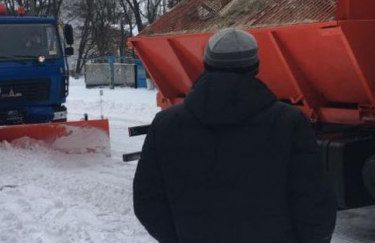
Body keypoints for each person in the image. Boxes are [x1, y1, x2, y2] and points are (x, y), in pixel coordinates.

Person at [133, 28, 337, 243]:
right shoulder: (289, 123)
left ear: (207, 63)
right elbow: (315, 203)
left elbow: (147, 201)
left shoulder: (166, 124)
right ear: (255, 66)